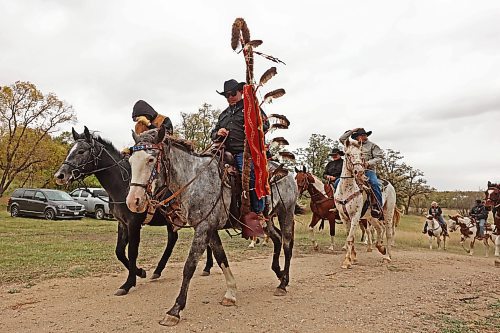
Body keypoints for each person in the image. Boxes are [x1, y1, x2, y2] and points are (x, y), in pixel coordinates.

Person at [211, 79, 270, 219]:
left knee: (249, 176)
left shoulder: (251, 107)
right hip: (224, 152)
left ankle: (258, 211)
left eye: (232, 93)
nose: (230, 97)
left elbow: (265, 125)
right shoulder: (223, 114)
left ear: (240, 92)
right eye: (227, 95)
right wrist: (218, 133)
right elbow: (212, 133)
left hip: (244, 152)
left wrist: (252, 129)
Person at [129, 100, 184, 227]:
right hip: (147, 158)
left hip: (165, 155)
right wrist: (131, 149)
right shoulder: (138, 126)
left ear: (146, 113)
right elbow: (140, 144)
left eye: (138, 117)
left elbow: (166, 136)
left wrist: (148, 124)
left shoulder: (164, 120)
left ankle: (174, 209)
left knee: (168, 179)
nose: (137, 120)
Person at [339, 128, 384, 219]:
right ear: (357, 137)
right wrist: (352, 131)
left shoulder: (373, 146)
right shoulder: (353, 145)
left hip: (368, 171)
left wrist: (368, 163)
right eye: (360, 135)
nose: (363, 137)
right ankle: (338, 205)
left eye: (364, 135)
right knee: (337, 183)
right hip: (354, 171)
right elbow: (342, 139)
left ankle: (377, 207)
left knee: (374, 183)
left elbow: (379, 158)